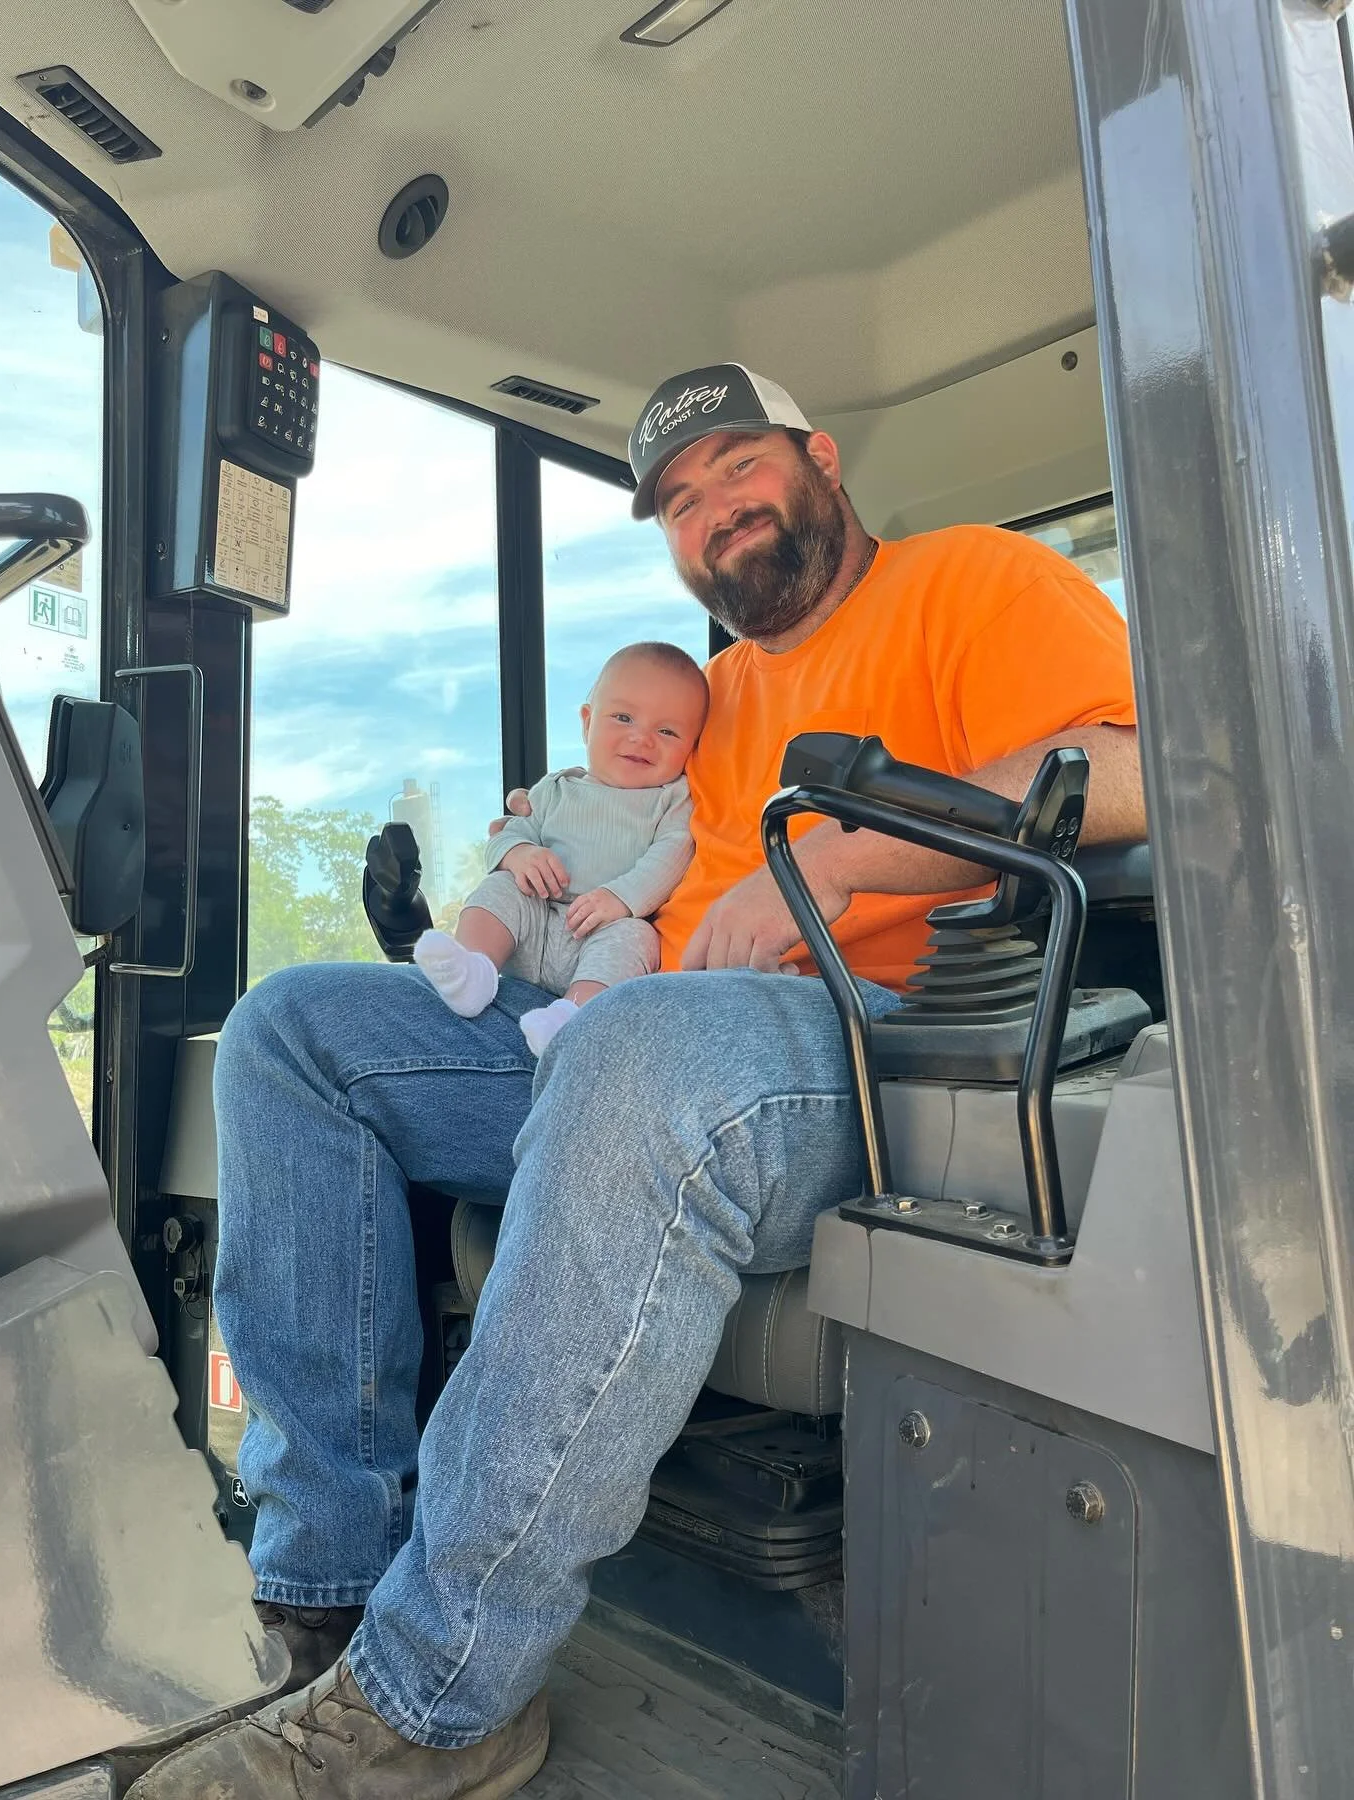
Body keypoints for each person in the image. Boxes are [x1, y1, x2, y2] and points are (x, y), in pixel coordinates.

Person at [131, 363, 1144, 1799]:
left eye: (739, 472)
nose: (713, 514)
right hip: (643, 1015)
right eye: (679, 501)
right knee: (295, 1027)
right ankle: (327, 1600)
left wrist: (842, 866)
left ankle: (443, 1697)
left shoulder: (970, 585)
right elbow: (629, 842)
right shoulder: (709, 695)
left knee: (634, 1047)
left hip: (878, 1039)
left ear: (823, 458)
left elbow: (1132, 767)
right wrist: (538, 858)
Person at [413, 642, 706, 1056]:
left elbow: (672, 855)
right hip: (535, 922)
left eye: (667, 731)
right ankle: (473, 968)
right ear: (587, 723)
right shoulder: (555, 788)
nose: (641, 738)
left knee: (637, 937)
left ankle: (571, 1016)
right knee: (501, 888)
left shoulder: (672, 799)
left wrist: (620, 899)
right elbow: (509, 833)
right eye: (622, 717)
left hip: (600, 933)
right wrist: (520, 855)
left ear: (692, 747)